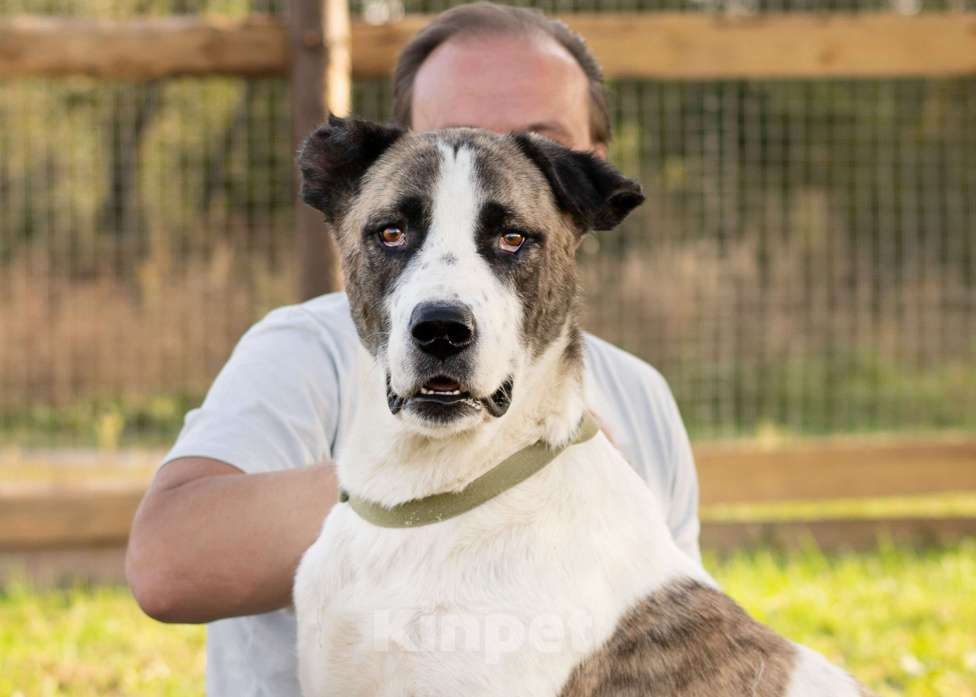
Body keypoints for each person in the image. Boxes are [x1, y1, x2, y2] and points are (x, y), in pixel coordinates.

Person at [126, 3, 703, 695]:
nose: (489, 165)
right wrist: (458, 474)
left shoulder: (638, 396)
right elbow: (166, 565)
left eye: (531, 142)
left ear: (587, 173)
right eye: (453, 140)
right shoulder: (305, 351)